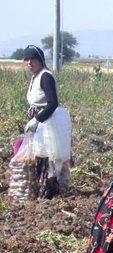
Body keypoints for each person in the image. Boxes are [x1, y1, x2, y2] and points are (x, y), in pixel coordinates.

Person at [22, 45, 72, 198]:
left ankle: (50, 190)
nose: (30, 62)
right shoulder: (35, 77)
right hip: (39, 122)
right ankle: (42, 188)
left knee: (49, 155)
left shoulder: (45, 76)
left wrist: (37, 119)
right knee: (39, 154)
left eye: (33, 59)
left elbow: (52, 103)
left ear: (40, 60)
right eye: (27, 59)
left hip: (48, 122)